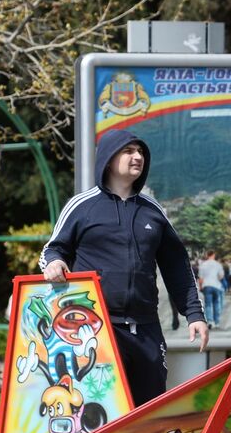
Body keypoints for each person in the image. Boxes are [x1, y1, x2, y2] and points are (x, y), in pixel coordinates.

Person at [41, 129, 208, 407]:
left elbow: (177, 266)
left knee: (150, 408)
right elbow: (52, 249)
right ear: (108, 159)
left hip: (146, 328)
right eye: (129, 151)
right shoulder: (81, 206)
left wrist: (195, 314)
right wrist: (55, 263)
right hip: (95, 328)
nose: (137, 157)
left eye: (140, 152)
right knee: (101, 406)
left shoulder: (153, 211)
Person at [197, 249, 226, 329]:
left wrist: (200, 287)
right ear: (213, 255)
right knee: (216, 303)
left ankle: (210, 321)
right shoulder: (218, 264)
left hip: (207, 285)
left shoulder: (203, 265)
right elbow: (221, 276)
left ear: (207, 255)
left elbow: (201, 278)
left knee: (208, 304)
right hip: (216, 285)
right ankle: (217, 322)